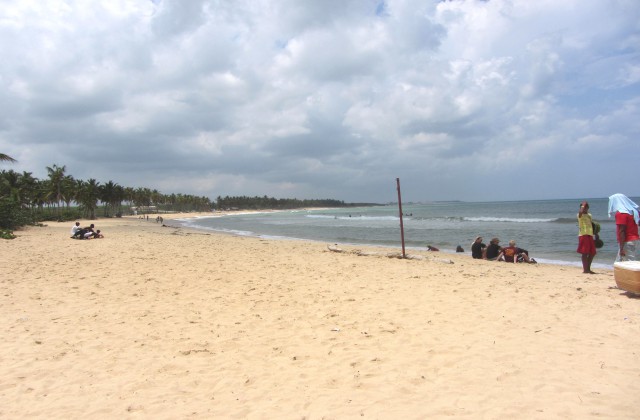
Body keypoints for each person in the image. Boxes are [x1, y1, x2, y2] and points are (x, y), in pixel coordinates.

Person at [608, 193, 640, 261]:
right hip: (635, 239)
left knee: (628, 262)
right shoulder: (633, 211)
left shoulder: (621, 214)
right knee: (625, 261)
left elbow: (622, 231)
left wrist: (621, 248)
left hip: (627, 241)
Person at [577, 201, 597, 274]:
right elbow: (580, 213)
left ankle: (588, 268)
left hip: (590, 234)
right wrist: (583, 205)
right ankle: (585, 270)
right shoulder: (580, 215)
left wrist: (596, 234)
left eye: (586, 207)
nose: (585, 209)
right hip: (583, 234)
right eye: (583, 207)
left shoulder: (589, 215)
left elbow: (591, 225)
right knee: (585, 253)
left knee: (592, 252)